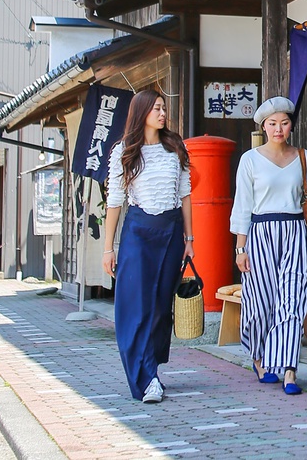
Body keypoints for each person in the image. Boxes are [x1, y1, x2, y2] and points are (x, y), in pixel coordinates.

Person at [230, 96, 307, 395]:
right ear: (263, 126)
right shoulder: (250, 159)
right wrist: (240, 248)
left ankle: (289, 370)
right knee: (259, 303)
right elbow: (243, 205)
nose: (278, 128)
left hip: (296, 231)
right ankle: (260, 360)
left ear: (291, 126)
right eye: (272, 124)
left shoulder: (303, 157)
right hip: (260, 232)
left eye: (284, 123)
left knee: (293, 300)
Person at [102, 88, 193, 404]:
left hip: (171, 231)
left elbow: (185, 194)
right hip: (138, 233)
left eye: (164, 108)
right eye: (156, 108)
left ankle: (152, 369)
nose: (162, 113)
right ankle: (145, 379)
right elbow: (114, 202)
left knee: (159, 308)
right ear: (141, 112)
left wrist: (190, 239)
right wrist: (108, 248)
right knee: (136, 307)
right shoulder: (124, 151)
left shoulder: (175, 147)